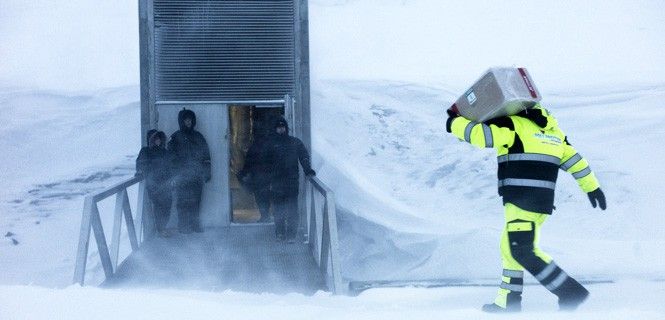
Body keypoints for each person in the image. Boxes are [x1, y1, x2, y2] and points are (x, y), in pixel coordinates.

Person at [445, 104, 607, 312]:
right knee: (509, 247)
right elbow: (577, 162)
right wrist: (592, 188)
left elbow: (481, 136)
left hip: (521, 200)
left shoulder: (515, 125)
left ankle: (569, 291)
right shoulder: (554, 134)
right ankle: (508, 303)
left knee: (522, 251)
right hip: (540, 203)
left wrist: (454, 122)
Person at [269, 117, 315, 243]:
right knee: (278, 210)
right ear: (275, 129)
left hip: (291, 183)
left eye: (282, 127)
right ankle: (280, 233)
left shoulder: (295, 143)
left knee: (292, 209)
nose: (281, 129)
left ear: (286, 128)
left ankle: (291, 235)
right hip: (276, 183)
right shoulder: (271, 144)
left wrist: (308, 170)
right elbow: (263, 163)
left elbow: (304, 156)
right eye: (278, 127)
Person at [168, 108, 211, 234]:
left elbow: (206, 156)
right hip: (182, 176)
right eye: (186, 120)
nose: (188, 122)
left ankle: (194, 225)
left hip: (197, 176)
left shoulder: (199, 137)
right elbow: (170, 158)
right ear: (181, 121)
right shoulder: (175, 138)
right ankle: (183, 226)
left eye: (190, 120)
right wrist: (174, 175)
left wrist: (207, 172)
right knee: (182, 201)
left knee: (196, 201)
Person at [136, 130, 175, 238]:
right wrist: (139, 171)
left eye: (159, 138)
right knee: (159, 207)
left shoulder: (164, 152)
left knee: (167, 206)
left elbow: (170, 167)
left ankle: (163, 227)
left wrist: (172, 179)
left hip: (166, 184)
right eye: (155, 139)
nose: (158, 141)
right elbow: (140, 163)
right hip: (154, 185)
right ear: (150, 140)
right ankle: (161, 229)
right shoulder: (145, 151)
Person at [238, 130, 274, 223]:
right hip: (264, 175)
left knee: (260, 197)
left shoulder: (254, 147)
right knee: (264, 196)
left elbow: (248, 162)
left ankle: (264, 215)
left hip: (258, 176)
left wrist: (245, 173)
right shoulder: (268, 146)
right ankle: (266, 215)